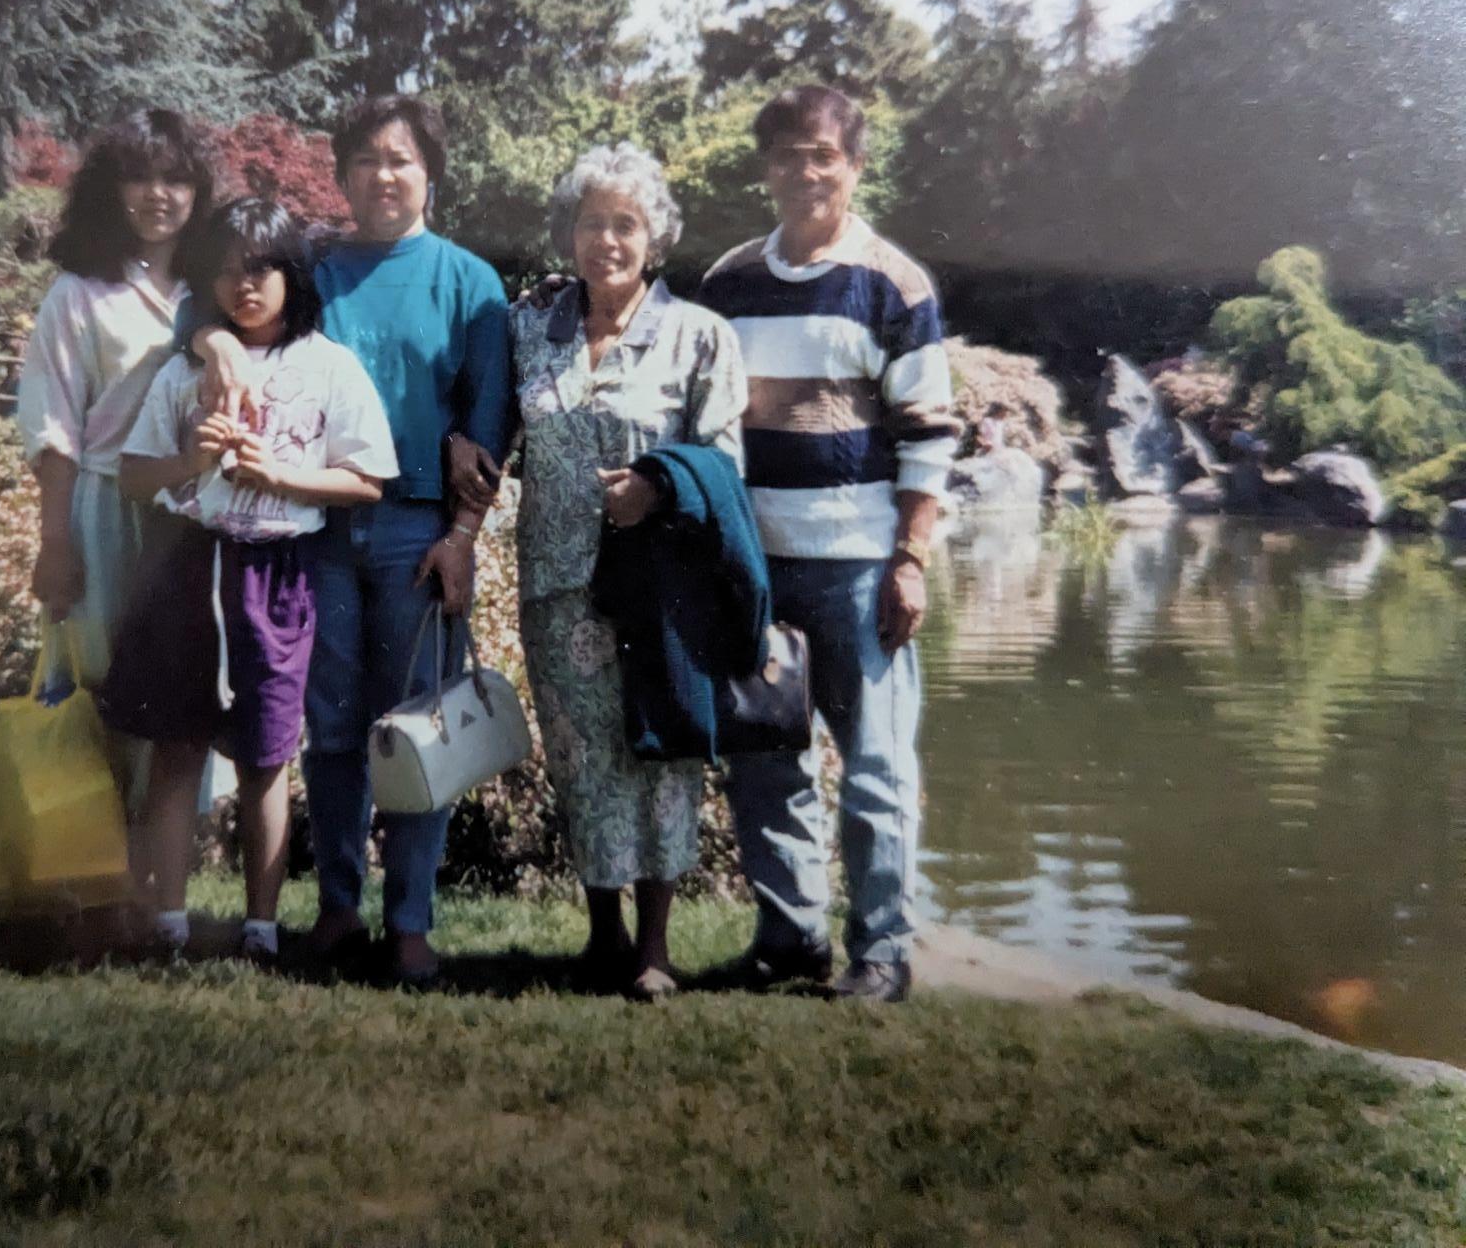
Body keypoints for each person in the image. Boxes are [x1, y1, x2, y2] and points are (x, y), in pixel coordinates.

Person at [195, 95, 510, 986]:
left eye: (401, 160)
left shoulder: (469, 283)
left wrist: (462, 536)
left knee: (418, 732)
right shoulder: (315, 266)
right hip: (316, 528)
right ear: (339, 175)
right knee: (330, 730)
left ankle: (410, 921)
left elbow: (486, 430)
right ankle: (340, 907)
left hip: (418, 532)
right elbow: (217, 297)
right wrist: (217, 342)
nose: (383, 176)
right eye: (366, 159)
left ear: (431, 173)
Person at [695, 85, 961, 1003]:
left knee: (877, 766)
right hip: (754, 568)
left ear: (853, 165)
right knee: (768, 760)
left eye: (823, 155)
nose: (805, 172)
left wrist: (912, 560)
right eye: (787, 155)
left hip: (859, 569)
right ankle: (789, 941)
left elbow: (929, 436)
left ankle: (882, 952)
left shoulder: (893, 283)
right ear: (765, 167)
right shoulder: (726, 283)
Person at [108, 199, 399, 963]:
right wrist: (194, 463)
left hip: (276, 572)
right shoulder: (186, 369)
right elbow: (134, 479)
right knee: (177, 746)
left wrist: (284, 476)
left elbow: (368, 478)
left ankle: (261, 927)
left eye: (264, 266)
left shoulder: (328, 366)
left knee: (267, 755)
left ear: (293, 275)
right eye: (231, 267)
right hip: (187, 564)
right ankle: (169, 920)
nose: (247, 283)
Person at [509, 143, 747, 1000]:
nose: (606, 240)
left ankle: (655, 947)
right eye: (590, 223)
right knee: (581, 762)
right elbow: (499, 426)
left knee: (660, 759)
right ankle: (601, 931)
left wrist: (656, 488)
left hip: (659, 587)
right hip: (556, 584)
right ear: (567, 234)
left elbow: (724, 460)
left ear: (654, 237)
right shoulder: (531, 326)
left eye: (625, 224)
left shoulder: (699, 335)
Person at [16, 107, 220, 707]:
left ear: (199, 193)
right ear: (112, 189)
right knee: (102, 690)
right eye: (140, 177)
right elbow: (54, 427)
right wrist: (55, 543)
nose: (159, 195)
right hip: (106, 511)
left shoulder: (215, 288)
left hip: (196, 512)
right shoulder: (77, 292)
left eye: (177, 180)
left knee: (186, 707)